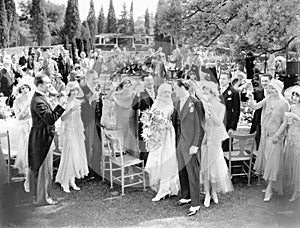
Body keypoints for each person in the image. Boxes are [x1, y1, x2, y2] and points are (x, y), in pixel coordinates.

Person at [28, 73, 66, 205]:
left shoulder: (40, 97)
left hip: (43, 136)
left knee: (43, 169)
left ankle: (41, 197)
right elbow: (50, 119)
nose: (50, 85)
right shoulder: (38, 101)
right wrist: (61, 105)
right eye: (47, 84)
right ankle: (43, 198)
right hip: (42, 139)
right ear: (39, 85)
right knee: (44, 169)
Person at [249, 79, 289, 201]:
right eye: (269, 88)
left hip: (275, 137)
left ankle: (270, 189)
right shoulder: (268, 99)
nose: (270, 90)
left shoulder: (284, 103)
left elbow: (285, 122)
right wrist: (251, 97)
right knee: (267, 161)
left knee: (273, 163)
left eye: (272, 88)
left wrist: (277, 135)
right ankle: (270, 186)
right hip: (265, 135)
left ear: (278, 89)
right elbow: (254, 107)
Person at [172, 79, 205, 216]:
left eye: (175, 88)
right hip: (180, 142)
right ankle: (186, 196)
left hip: (191, 144)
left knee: (193, 173)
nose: (174, 91)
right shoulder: (177, 103)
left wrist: (196, 145)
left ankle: (195, 204)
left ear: (182, 88)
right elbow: (175, 122)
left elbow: (200, 126)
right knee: (182, 171)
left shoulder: (196, 103)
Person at [198, 81, 233, 208]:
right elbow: (201, 122)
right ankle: (206, 192)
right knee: (205, 165)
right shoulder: (201, 105)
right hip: (205, 137)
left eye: (207, 93)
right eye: (204, 93)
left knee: (214, 164)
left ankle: (214, 191)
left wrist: (210, 109)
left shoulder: (220, 106)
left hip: (216, 138)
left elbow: (218, 122)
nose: (205, 95)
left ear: (213, 94)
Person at [145, 83, 180, 201]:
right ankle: (163, 187)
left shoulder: (172, 104)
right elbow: (151, 119)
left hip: (168, 135)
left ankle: (166, 188)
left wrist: (167, 126)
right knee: (158, 160)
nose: (167, 94)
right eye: (165, 92)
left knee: (167, 159)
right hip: (157, 136)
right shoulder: (156, 104)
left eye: (169, 92)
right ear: (160, 93)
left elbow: (173, 120)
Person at [55, 82, 89, 193]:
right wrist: (70, 110)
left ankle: (72, 180)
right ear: (69, 91)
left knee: (76, 156)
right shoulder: (64, 102)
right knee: (70, 156)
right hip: (69, 131)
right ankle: (64, 181)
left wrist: (82, 131)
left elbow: (79, 118)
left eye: (76, 90)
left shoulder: (78, 102)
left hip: (77, 131)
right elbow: (63, 119)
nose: (74, 92)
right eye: (72, 90)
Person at [272, 86, 300, 201]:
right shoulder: (292, 107)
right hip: (290, 139)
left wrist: (296, 118)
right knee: (292, 165)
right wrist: (277, 135)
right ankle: (295, 190)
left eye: (296, 95)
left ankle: (297, 190)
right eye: (293, 95)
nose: (293, 98)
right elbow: (285, 124)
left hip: (298, 139)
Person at [80, 70, 103, 176]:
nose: (96, 80)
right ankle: (87, 169)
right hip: (87, 121)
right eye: (94, 78)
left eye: (97, 78)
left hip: (97, 120)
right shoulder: (83, 89)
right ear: (88, 79)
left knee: (98, 145)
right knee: (87, 145)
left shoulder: (97, 88)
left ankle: (96, 168)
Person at [107, 77, 138, 156]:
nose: (127, 85)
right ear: (122, 85)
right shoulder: (117, 94)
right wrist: (112, 90)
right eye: (125, 83)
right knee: (122, 143)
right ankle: (123, 160)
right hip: (120, 122)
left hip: (131, 121)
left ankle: (131, 163)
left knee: (131, 142)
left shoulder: (134, 94)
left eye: (129, 83)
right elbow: (108, 99)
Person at [13, 79, 33, 192]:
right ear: (20, 90)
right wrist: (25, 109)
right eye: (22, 88)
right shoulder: (17, 101)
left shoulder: (32, 99)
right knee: (26, 151)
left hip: (32, 125)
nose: (25, 90)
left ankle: (33, 176)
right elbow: (18, 117)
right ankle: (27, 178)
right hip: (24, 127)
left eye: (26, 88)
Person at [132, 75, 155, 165]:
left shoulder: (157, 92)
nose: (150, 82)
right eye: (148, 81)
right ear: (143, 83)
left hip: (156, 123)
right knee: (144, 147)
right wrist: (137, 96)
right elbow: (134, 107)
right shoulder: (141, 94)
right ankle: (144, 165)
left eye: (151, 80)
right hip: (145, 124)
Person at [219, 71, 240, 151]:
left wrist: (232, 127)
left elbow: (236, 111)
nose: (221, 81)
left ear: (229, 80)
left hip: (227, 124)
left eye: (224, 79)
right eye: (220, 78)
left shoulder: (234, 92)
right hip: (217, 123)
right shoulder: (216, 90)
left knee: (226, 147)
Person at [250, 74, 271, 152]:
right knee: (259, 139)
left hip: (270, 120)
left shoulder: (274, 94)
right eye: (262, 81)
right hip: (259, 118)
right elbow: (250, 102)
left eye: (266, 81)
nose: (264, 83)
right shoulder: (258, 91)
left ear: (270, 81)